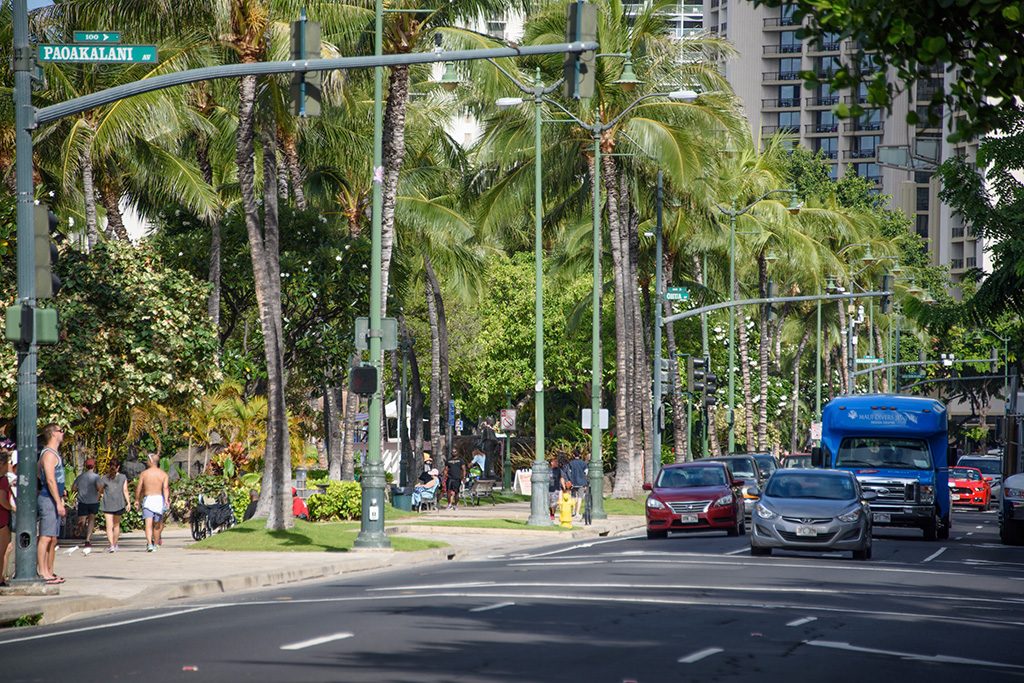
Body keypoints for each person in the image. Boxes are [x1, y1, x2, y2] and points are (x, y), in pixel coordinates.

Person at [37, 423, 66, 584]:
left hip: (52, 498)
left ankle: (48, 570)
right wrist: (58, 502)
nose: (63, 433)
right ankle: (43, 572)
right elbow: (49, 479)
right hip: (48, 498)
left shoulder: (52, 453)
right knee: (46, 537)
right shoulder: (48, 454)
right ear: (53, 433)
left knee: (52, 537)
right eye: (61, 430)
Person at [135, 454, 169, 552]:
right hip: (159, 500)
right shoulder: (163, 474)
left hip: (148, 499)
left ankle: (150, 543)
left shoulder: (144, 474)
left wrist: (137, 500)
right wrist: (166, 500)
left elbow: (139, 488)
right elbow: (165, 488)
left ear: (151, 461)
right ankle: (155, 544)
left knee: (148, 524)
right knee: (157, 525)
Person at [97, 459, 129, 553]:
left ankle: (111, 545)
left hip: (107, 504)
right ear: (118, 467)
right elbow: (125, 490)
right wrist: (128, 502)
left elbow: (100, 490)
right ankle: (114, 544)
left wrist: (98, 498)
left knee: (109, 526)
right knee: (116, 525)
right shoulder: (123, 477)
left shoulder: (104, 478)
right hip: (119, 503)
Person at [72, 458, 101, 548]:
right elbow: (99, 487)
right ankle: (87, 539)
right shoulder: (96, 477)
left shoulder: (80, 477)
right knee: (91, 520)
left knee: (82, 520)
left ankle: (79, 528)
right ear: (94, 466)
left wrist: (80, 489)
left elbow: (73, 488)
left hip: (83, 501)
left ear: (85, 466)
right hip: (93, 501)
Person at [0, 451, 13, 585]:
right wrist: (12, 508)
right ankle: (1, 577)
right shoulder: (2, 480)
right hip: (2, 518)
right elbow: (2, 500)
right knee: (4, 550)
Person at [564, 452, 589, 518]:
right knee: (580, 497)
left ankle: (573, 512)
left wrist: (569, 480)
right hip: (581, 482)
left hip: (573, 482)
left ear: (573, 455)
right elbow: (586, 472)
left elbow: (568, 472)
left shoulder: (570, 463)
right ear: (580, 455)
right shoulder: (583, 463)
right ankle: (577, 513)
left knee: (573, 497)